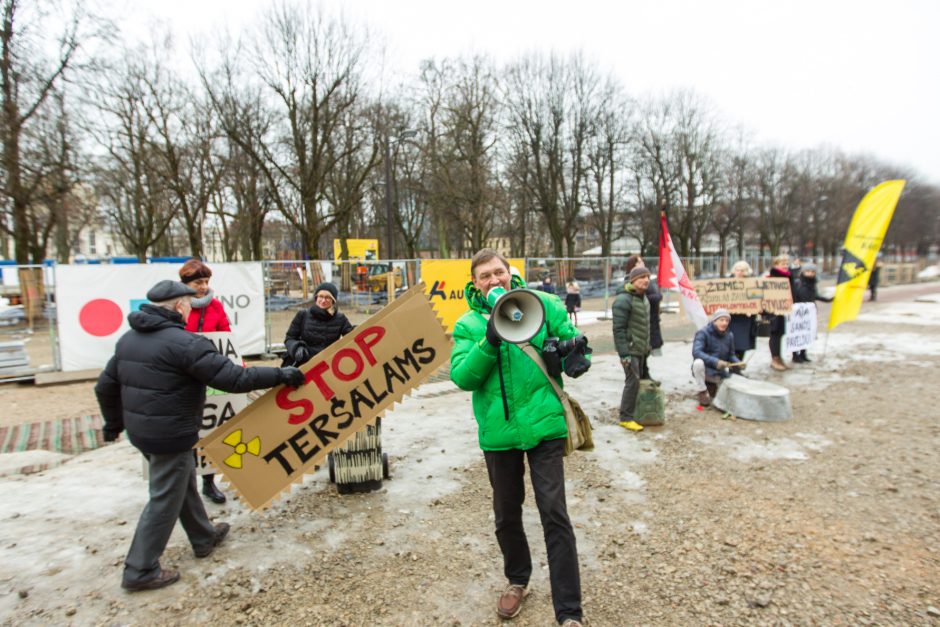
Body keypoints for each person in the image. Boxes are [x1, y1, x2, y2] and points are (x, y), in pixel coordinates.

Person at [95, 280, 305, 592]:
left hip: (141, 433)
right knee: (165, 496)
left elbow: (104, 386)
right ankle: (140, 569)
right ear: (180, 306)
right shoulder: (185, 343)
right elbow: (234, 378)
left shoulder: (129, 340)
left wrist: (114, 423)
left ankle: (202, 535)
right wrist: (281, 375)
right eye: (188, 304)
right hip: (170, 434)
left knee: (179, 483)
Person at [450, 249, 584, 627]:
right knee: (506, 516)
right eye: (484, 276)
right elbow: (463, 378)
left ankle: (569, 612)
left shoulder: (541, 305)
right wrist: (489, 341)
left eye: (498, 272)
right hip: (499, 435)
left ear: (511, 273)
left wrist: (573, 354)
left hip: (544, 428)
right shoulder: (468, 325)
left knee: (554, 514)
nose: (493, 280)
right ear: (474, 284)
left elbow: (571, 339)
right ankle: (517, 579)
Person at [179, 258, 230, 504]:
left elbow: (226, 337)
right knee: (188, 429)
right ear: (186, 283)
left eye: (206, 281)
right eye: (199, 281)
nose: (203, 286)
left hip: (209, 372)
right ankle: (184, 484)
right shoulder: (179, 306)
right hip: (183, 375)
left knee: (210, 426)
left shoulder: (216, 307)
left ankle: (209, 482)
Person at [612, 266, 651, 432]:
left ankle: (635, 412)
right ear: (632, 280)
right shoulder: (623, 300)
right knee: (632, 382)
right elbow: (618, 329)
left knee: (636, 381)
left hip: (640, 348)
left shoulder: (643, 297)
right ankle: (625, 418)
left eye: (648, 277)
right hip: (630, 349)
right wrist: (624, 353)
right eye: (642, 277)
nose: (646, 280)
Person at [282, 282, 354, 367]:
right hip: (305, 363)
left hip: (328, 365)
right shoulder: (303, 315)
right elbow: (290, 338)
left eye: (327, 297)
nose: (323, 300)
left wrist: (360, 328)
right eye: (321, 296)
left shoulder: (340, 318)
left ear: (333, 300)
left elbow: (352, 336)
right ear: (316, 298)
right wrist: (296, 348)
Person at [623, 255, 663, 379]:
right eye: (638, 262)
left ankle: (644, 372)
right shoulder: (631, 282)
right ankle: (641, 374)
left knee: (647, 347)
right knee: (640, 349)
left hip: (650, 319)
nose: (642, 263)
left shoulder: (646, 279)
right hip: (639, 321)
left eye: (642, 261)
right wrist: (657, 297)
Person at [691, 309, 740, 406]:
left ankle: (711, 387)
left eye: (727, 321)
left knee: (724, 396)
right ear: (714, 321)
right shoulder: (703, 333)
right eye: (721, 320)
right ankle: (702, 391)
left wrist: (738, 363)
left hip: (720, 372)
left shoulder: (729, 336)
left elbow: (731, 355)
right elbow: (696, 352)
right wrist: (716, 362)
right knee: (698, 363)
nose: (724, 323)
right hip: (706, 369)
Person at [791, 263, 832, 363]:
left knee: (806, 334)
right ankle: (795, 356)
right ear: (803, 272)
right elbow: (794, 296)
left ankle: (803, 354)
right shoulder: (797, 283)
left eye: (812, 272)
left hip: (809, 313)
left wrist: (828, 299)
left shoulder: (813, 284)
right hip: (798, 313)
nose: (810, 274)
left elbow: (815, 296)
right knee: (797, 334)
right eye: (808, 271)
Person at [765, 254, 795, 371]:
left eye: (787, 263)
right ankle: (775, 359)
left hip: (785, 311)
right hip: (774, 311)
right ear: (776, 265)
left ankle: (779, 357)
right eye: (783, 264)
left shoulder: (789, 277)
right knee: (775, 334)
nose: (786, 266)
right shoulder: (772, 278)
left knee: (781, 334)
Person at [727, 260, 758, 364]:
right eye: (737, 270)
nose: (739, 272)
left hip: (746, 319)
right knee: (732, 344)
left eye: (742, 270)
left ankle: (738, 365)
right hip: (731, 318)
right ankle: (733, 366)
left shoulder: (752, 284)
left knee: (743, 344)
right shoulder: (726, 284)